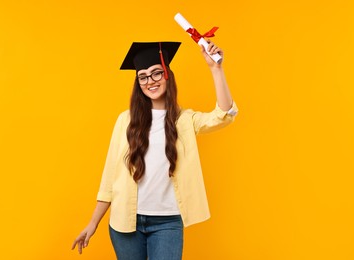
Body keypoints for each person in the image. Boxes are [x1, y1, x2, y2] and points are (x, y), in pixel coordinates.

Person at [72, 40, 238, 260]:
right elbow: (110, 176)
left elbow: (224, 115)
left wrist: (216, 69)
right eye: (143, 76)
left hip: (168, 222)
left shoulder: (185, 120)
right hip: (126, 222)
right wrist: (93, 223)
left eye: (156, 73)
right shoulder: (126, 121)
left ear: (167, 75)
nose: (150, 81)